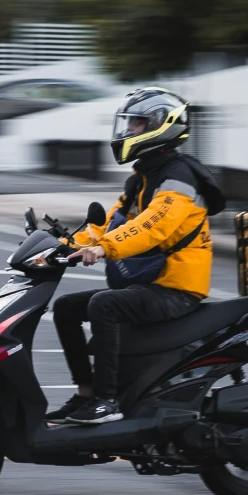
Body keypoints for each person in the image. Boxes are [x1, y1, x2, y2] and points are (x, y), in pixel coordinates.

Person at [49, 87, 226, 425]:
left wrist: (105, 249)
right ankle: (86, 394)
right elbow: (109, 222)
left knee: (105, 305)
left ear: (161, 125)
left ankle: (107, 401)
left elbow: (153, 226)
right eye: (129, 124)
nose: (128, 131)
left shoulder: (179, 177)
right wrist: (64, 245)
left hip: (176, 288)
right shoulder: (143, 177)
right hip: (152, 283)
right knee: (66, 308)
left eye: (137, 123)